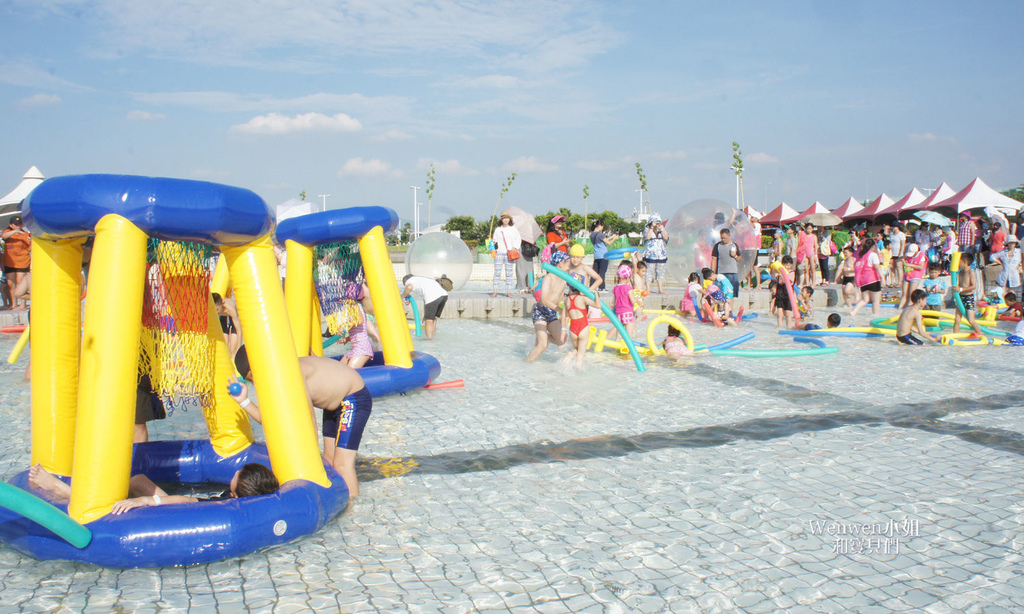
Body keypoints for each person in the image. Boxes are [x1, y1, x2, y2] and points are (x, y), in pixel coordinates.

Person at [231, 345, 372, 498]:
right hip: (334, 405)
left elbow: (308, 416)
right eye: (250, 381)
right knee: (329, 461)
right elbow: (273, 421)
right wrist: (244, 401)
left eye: (253, 377)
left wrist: (309, 454)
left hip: (352, 396)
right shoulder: (276, 376)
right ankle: (337, 498)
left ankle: (353, 511)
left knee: (342, 465)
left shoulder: (288, 373)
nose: (255, 383)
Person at [28, 462, 278, 514]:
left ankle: (63, 490)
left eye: (238, 475)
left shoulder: (224, 504)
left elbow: (189, 502)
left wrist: (146, 501)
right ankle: (92, 488)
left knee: (125, 501)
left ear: (236, 492)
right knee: (137, 481)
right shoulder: (238, 496)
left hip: (169, 515)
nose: (235, 471)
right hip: (177, 509)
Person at [526, 250, 570, 362]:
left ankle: (542, 335)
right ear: (561, 264)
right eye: (568, 263)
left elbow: (560, 299)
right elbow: (544, 299)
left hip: (551, 313)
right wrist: (558, 309)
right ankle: (526, 364)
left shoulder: (564, 280)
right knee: (543, 345)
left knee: (561, 340)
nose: (569, 266)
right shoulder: (549, 278)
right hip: (540, 311)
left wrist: (563, 313)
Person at [401, 274, 451, 340]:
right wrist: (426, 313)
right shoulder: (423, 278)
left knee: (429, 320)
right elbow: (427, 297)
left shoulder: (409, 281)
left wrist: (403, 296)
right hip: (444, 295)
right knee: (434, 318)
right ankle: (432, 337)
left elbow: (409, 287)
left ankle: (429, 339)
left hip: (433, 297)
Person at [562, 286, 597, 368]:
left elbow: (564, 316)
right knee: (581, 355)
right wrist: (596, 294)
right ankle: (578, 373)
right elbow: (598, 305)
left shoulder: (567, 299)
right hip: (583, 327)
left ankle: (571, 354)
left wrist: (563, 330)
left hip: (572, 329)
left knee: (577, 350)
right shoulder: (582, 298)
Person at [2, 216, 31, 311]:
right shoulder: (7, 232)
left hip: (22, 261)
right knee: (11, 284)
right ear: (11, 225)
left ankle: (22, 304)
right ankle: (13, 304)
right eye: (16, 224)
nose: (18, 226)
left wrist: (30, 241)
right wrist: (15, 231)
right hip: (10, 262)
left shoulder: (25, 234)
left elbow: (31, 247)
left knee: (20, 282)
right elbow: (4, 237)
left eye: (19, 224)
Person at [951, 253, 984, 336]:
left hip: (968, 298)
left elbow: (974, 286)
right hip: (960, 297)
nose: (957, 264)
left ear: (965, 261)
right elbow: (959, 284)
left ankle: (980, 335)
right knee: (957, 319)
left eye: (959, 261)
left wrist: (961, 289)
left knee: (971, 320)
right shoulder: (960, 272)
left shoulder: (970, 272)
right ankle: (955, 336)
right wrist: (956, 289)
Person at [850, 239, 884, 317]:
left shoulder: (861, 256)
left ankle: (853, 312)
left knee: (865, 300)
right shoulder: (873, 255)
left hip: (863, 281)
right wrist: (882, 278)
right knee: (876, 301)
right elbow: (877, 267)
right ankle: (876, 316)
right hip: (873, 280)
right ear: (873, 246)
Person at [491, 211, 521, 298]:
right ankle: (495, 290)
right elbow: (494, 241)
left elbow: (518, 239)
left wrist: (515, 247)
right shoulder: (498, 230)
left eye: (507, 218)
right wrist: (492, 245)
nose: (505, 220)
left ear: (510, 219)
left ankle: (508, 291)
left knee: (509, 272)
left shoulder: (513, 229)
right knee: (497, 272)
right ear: (501, 220)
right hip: (499, 252)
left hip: (509, 253)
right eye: (504, 218)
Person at [711, 228, 741, 310]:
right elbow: (714, 259)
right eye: (721, 238)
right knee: (721, 292)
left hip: (733, 272)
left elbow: (740, 259)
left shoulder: (734, 245)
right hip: (721, 273)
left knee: (732, 293)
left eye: (724, 238)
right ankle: (721, 310)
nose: (723, 239)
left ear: (729, 236)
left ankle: (729, 310)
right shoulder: (717, 246)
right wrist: (713, 273)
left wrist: (734, 255)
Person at [610, 264, 638, 340]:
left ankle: (616, 348)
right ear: (628, 277)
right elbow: (632, 300)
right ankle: (629, 349)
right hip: (627, 312)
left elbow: (613, 303)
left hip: (618, 313)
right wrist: (638, 301)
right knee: (629, 336)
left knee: (619, 334)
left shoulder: (615, 288)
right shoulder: (628, 287)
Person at [589, 220, 619, 291]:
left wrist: (611, 237)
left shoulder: (592, 235)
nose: (602, 228)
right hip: (603, 256)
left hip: (596, 256)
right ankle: (602, 287)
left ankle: (591, 287)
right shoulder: (600, 234)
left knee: (594, 272)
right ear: (599, 226)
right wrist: (614, 239)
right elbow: (609, 243)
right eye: (602, 226)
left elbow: (602, 241)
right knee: (602, 272)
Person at [642, 215, 669, 294]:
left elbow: (666, 237)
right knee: (649, 272)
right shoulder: (647, 229)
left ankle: (660, 289)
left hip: (661, 255)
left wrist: (662, 229)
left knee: (661, 273)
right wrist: (651, 228)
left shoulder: (662, 229)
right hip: (650, 255)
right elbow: (648, 237)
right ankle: (648, 289)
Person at [212, 293, 243, 357]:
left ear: (223, 303)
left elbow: (239, 331)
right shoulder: (216, 309)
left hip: (233, 314)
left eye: (217, 310)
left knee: (233, 350)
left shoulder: (231, 310)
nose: (215, 313)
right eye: (213, 310)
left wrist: (238, 350)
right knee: (223, 345)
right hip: (223, 316)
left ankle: (234, 358)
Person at [897, 244, 927, 309]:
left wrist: (910, 265)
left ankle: (908, 309)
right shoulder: (908, 255)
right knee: (904, 293)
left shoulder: (921, 256)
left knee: (911, 294)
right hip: (908, 275)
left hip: (916, 276)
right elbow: (903, 258)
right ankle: (899, 308)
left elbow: (921, 267)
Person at [994, 236, 1022, 301]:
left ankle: (1011, 304)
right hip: (1004, 274)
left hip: (1014, 274)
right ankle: (1003, 305)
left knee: (1012, 292)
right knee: (1003, 292)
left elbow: (1022, 260)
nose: (1012, 245)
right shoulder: (1003, 252)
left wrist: (1020, 265)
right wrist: (1000, 263)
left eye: (1013, 243)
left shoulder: (1018, 252)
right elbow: (992, 256)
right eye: (1010, 243)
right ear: (1008, 244)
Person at [773, 256, 796, 328]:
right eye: (786, 265)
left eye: (789, 265)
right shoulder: (779, 272)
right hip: (780, 293)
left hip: (788, 295)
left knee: (788, 313)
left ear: (791, 265)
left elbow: (786, 281)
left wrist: (782, 274)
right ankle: (779, 327)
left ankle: (789, 327)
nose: (787, 267)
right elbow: (773, 276)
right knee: (779, 313)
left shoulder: (792, 273)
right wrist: (775, 270)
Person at [889, 222, 906, 287]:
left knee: (899, 267)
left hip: (898, 252)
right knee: (892, 268)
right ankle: (892, 282)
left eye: (893, 226)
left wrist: (901, 252)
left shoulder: (901, 234)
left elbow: (903, 244)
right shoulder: (891, 234)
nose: (892, 228)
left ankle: (900, 282)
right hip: (892, 252)